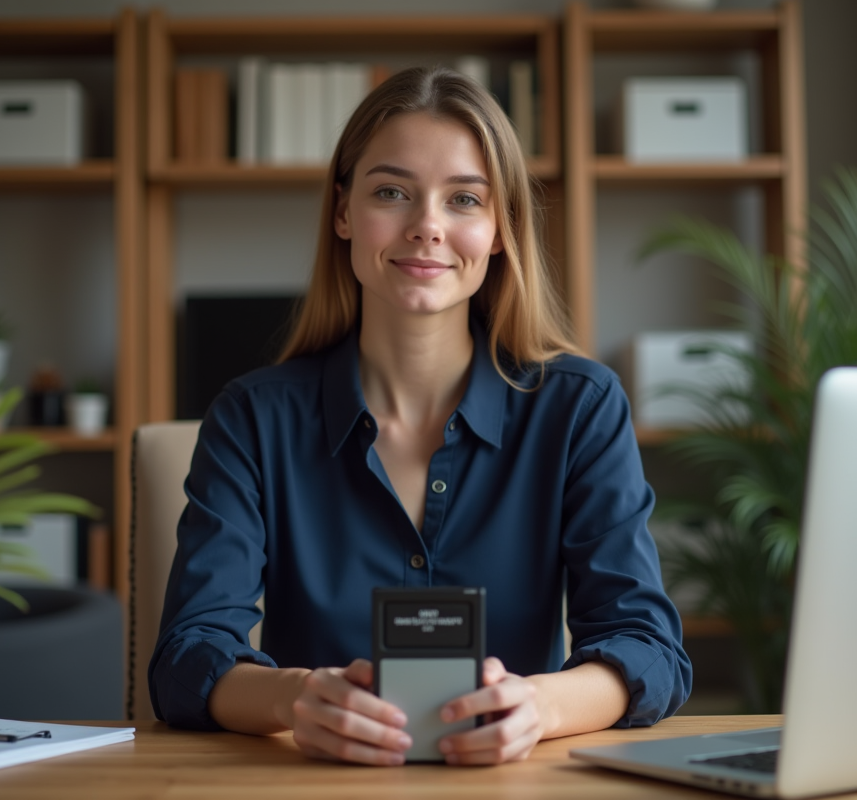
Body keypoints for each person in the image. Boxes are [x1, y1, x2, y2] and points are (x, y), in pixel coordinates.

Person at [149, 66, 691, 766]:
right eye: (391, 192)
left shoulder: (579, 410)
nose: (427, 226)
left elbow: (647, 648)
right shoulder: (251, 418)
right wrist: (294, 697)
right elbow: (186, 657)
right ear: (344, 213)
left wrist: (542, 705)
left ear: (500, 229)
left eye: (465, 199)